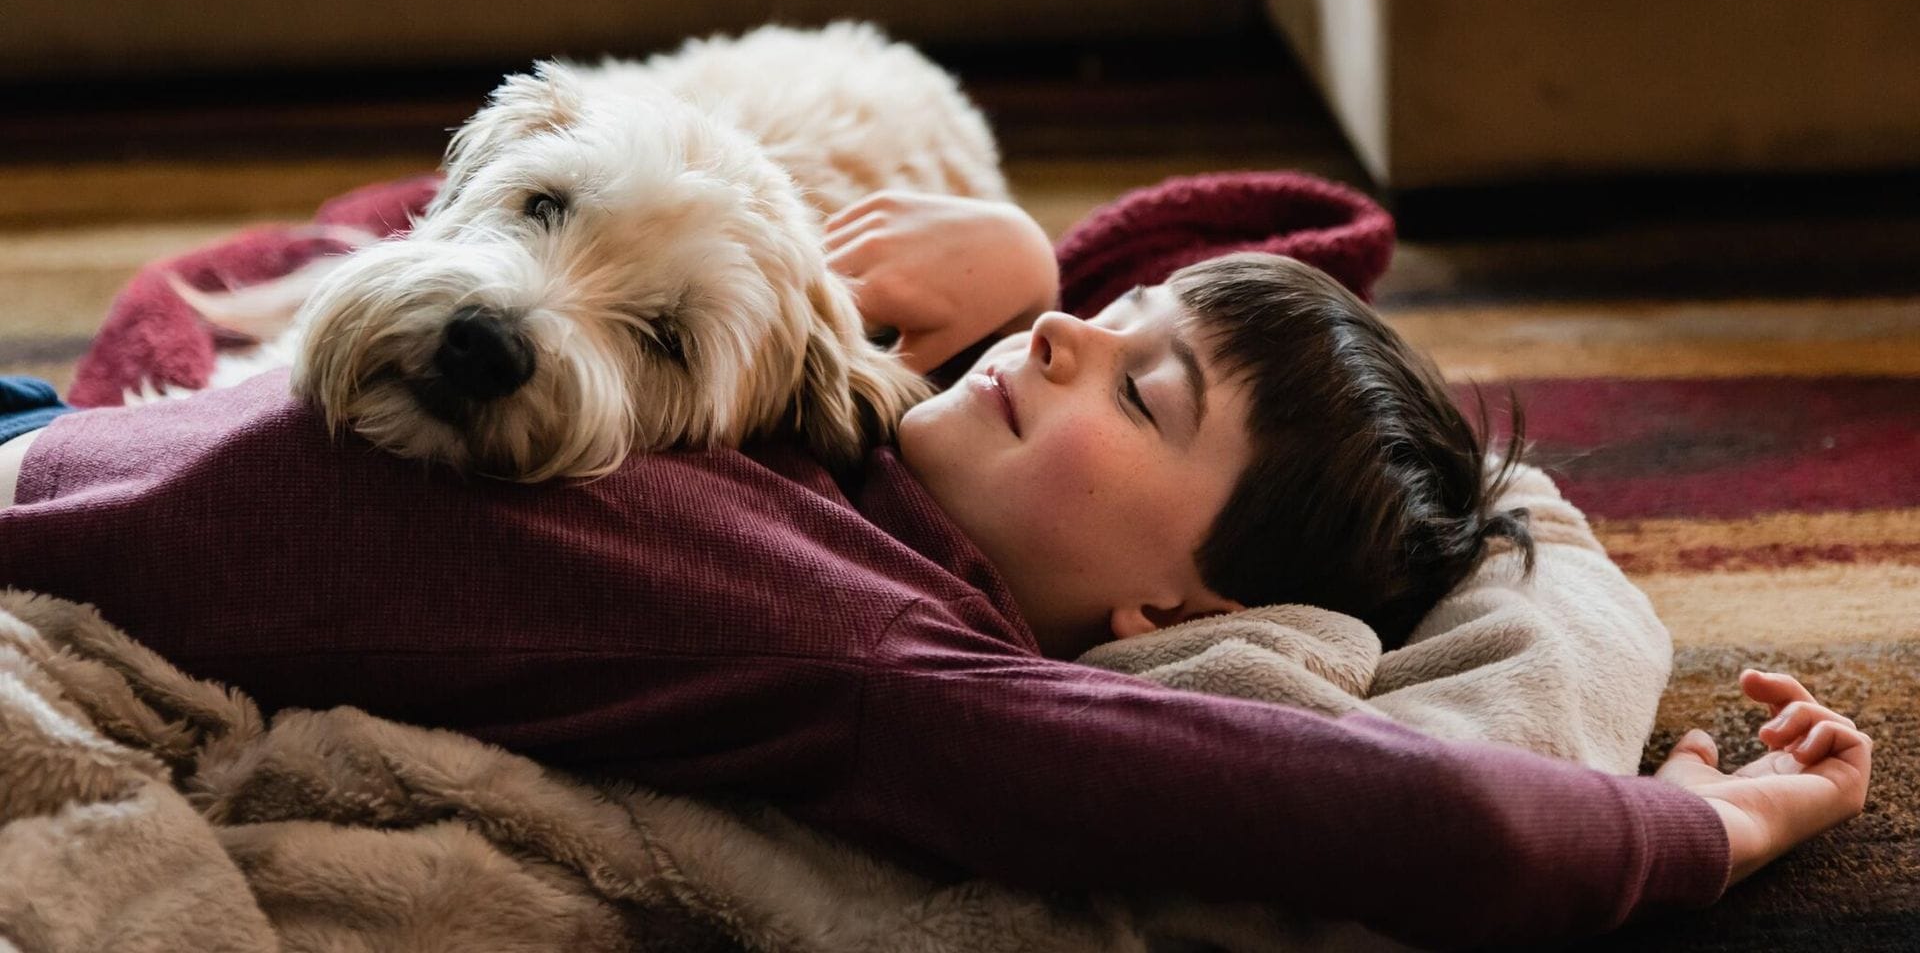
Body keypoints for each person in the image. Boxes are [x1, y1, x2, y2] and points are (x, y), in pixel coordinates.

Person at [0, 192, 1872, 948]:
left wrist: (1715, 833)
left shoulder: (883, 657)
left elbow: (1444, 829)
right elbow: (1264, 237)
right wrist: (1003, 261)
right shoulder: (836, 432)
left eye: (1139, 393)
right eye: (1097, 318)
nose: (1062, 339)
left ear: (1178, 620)